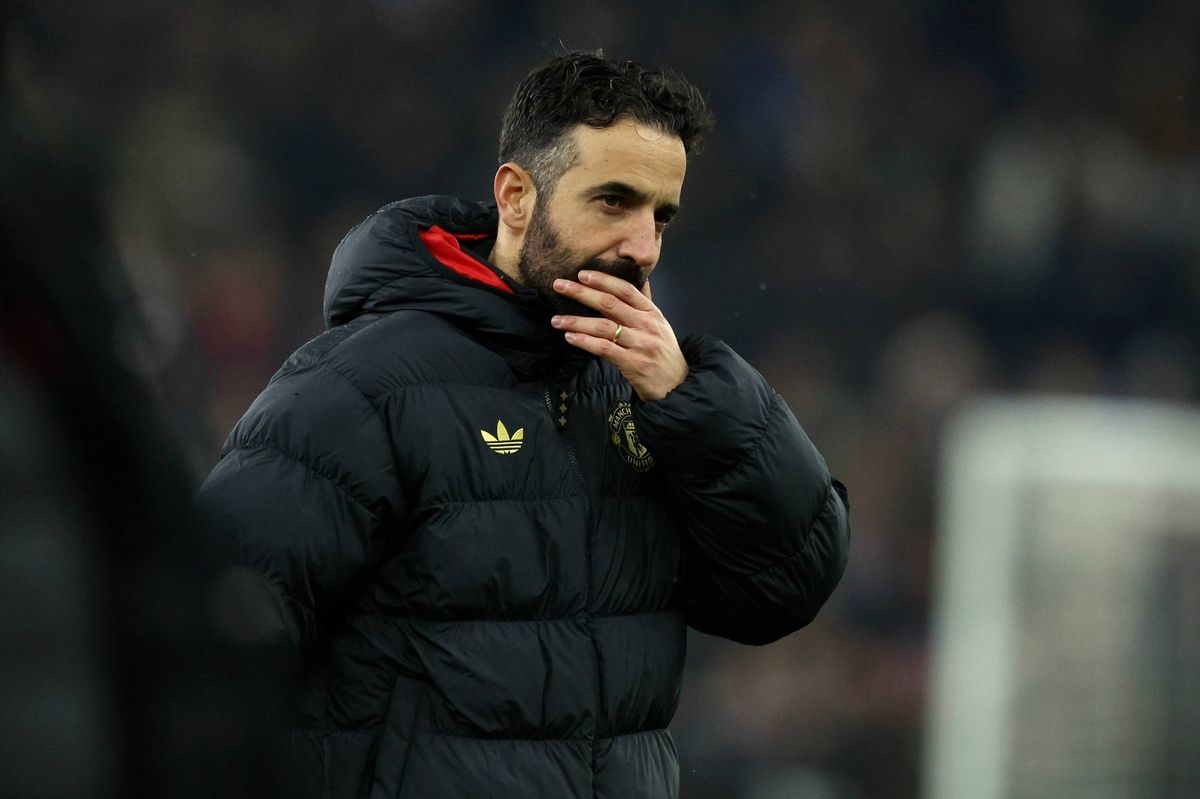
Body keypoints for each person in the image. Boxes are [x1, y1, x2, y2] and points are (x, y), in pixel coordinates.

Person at [197, 51, 850, 799]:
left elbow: (786, 586)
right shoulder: (360, 389)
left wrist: (700, 407)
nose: (643, 245)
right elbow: (208, 642)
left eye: (660, 215)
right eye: (614, 201)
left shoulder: (657, 399)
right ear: (515, 196)